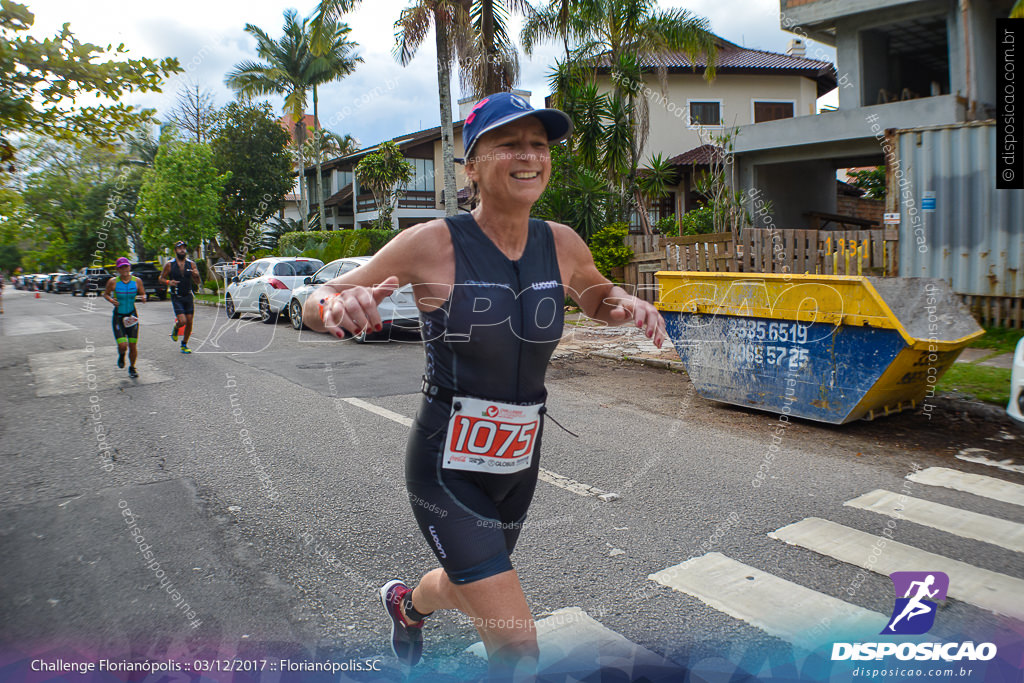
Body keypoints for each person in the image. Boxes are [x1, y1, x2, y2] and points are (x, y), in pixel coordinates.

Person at [303, 92, 667, 680]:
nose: (529, 156)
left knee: (466, 582)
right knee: (517, 646)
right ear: (471, 165)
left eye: (539, 145)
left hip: (519, 458)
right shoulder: (433, 243)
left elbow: (596, 295)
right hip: (446, 463)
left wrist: (622, 302)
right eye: (508, 144)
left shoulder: (562, 242)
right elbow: (318, 300)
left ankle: (406, 605)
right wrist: (338, 303)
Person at [103, 257, 147, 378]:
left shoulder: (137, 281)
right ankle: (122, 355)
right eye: (121, 267)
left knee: (133, 345)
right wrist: (112, 300)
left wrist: (143, 297)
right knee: (123, 345)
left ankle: (132, 367)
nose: (124, 270)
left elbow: (143, 293)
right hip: (118, 316)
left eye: (126, 266)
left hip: (132, 316)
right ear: (118, 269)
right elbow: (105, 294)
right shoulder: (113, 282)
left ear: (129, 267)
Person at [159, 240, 201, 354]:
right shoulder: (169, 264)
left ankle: (184, 344)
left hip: (188, 295)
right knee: (182, 321)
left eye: (184, 248)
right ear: (175, 250)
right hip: (176, 296)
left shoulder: (191, 264)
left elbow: (197, 282)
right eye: (179, 248)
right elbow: (161, 278)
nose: (182, 250)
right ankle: (176, 327)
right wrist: (168, 282)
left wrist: (196, 276)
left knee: (190, 321)